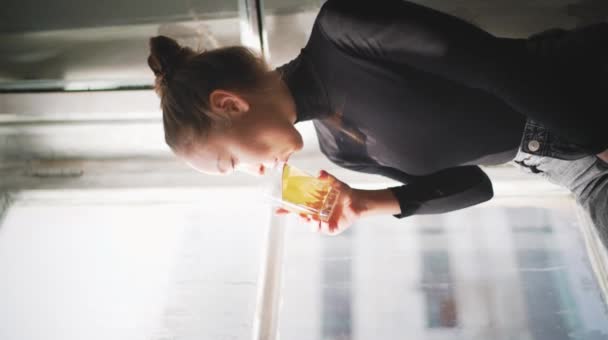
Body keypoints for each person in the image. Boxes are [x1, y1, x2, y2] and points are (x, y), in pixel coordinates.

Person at [147, 0, 608, 243]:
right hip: (574, 169)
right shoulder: (340, 151)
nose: (259, 172)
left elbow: (497, 66)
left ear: (229, 104)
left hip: (583, 83)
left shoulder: (344, 29)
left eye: (232, 161)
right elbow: (474, 185)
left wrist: (597, 137)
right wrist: (365, 204)